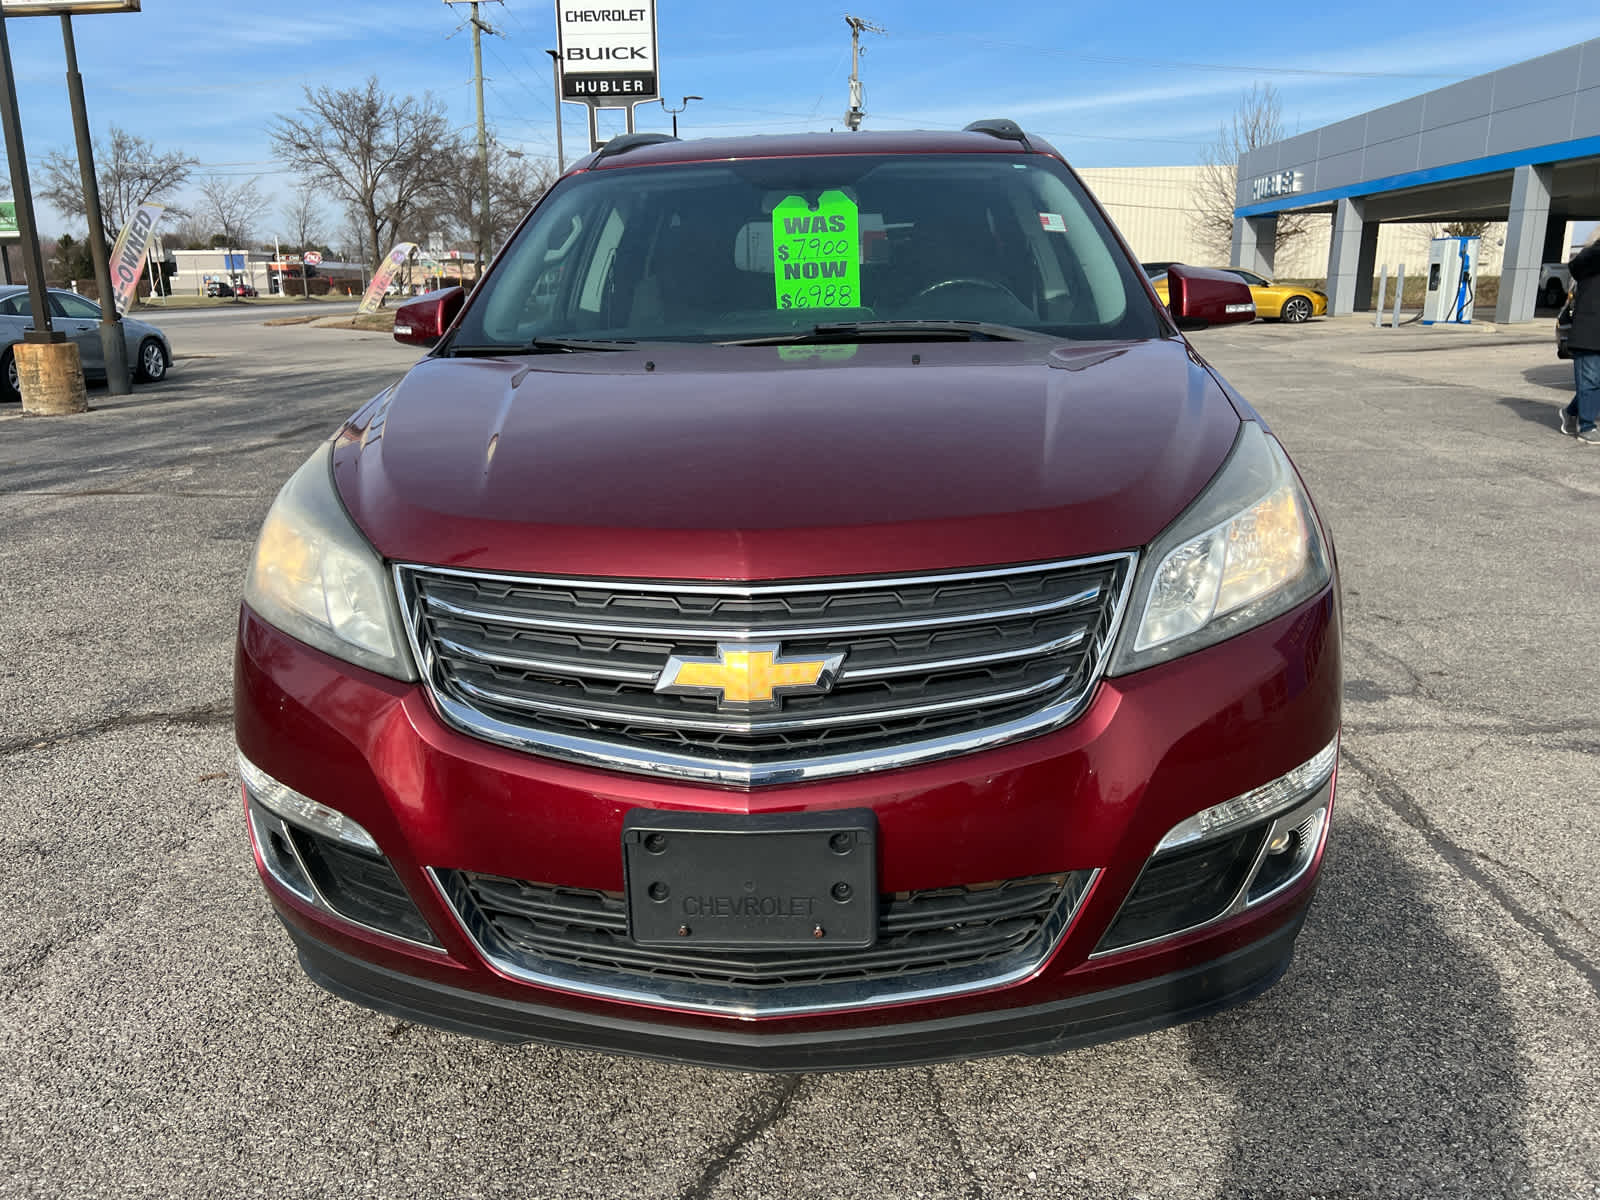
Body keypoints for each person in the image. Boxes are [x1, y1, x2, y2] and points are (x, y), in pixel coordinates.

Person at [1559, 227, 1600, 444]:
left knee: (1593, 382)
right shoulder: (1589, 259)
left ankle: (1569, 412)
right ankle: (1586, 426)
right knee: (1591, 380)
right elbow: (1578, 265)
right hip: (1589, 331)